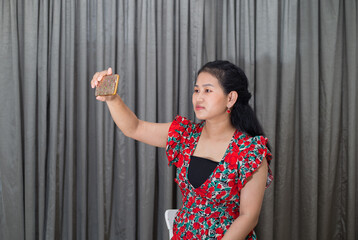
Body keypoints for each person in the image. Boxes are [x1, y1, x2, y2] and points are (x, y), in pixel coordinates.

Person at [91, 60, 273, 240]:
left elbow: (248, 217)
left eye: (208, 91)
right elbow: (135, 128)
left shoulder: (250, 151)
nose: (198, 98)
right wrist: (111, 97)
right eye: (196, 90)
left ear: (230, 98)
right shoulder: (186, 135)